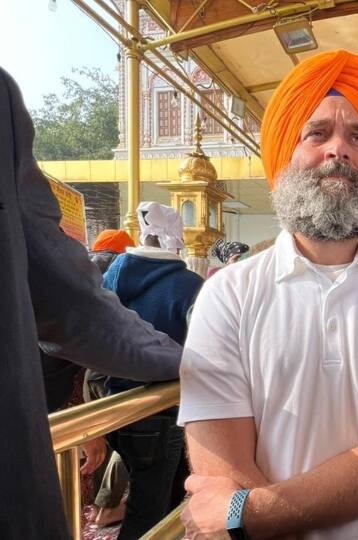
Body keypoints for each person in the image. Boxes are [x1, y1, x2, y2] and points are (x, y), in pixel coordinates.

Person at [178, 49, 358, 540]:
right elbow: (223, 468)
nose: (338, 150)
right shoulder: (229, 295)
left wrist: (247, 514)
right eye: (317, 133)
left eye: (357, 137)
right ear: (285, 154)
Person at [0, 67, 181, 539]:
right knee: (152, 505)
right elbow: (70, 306)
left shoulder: (113, 271)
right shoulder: (193, 288)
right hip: (145, 412)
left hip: (103, 407)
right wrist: (194, 362)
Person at [100, 201, 203, 539]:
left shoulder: (111, 275)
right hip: (162, 410)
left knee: (155, 497)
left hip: (114, 404)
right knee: (151, 512)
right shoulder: (188, 285)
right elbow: (203, 351)